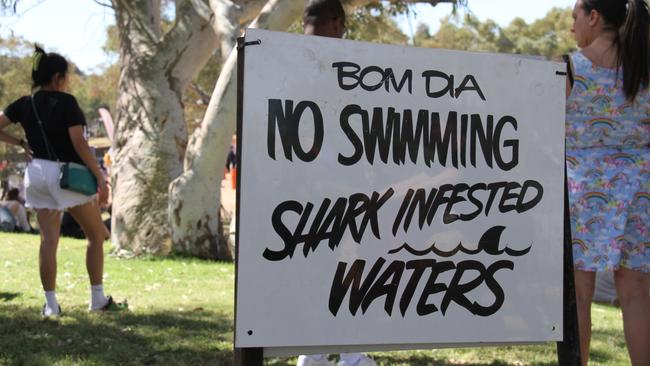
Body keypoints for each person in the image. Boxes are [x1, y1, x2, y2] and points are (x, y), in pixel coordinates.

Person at [0, 45, 127, 317]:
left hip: (35, 174)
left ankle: (50, 305)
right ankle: (97, 299)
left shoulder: (24, 103)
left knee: (48, 240)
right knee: (96, 234)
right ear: (58, 78)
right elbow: (79, 142)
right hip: (67, 176)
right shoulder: (67, 102)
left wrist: (20, 141)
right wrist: (100, 176)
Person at [565, 1, 649, 365]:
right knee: (637, 292)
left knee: (579, 294)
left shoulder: (569, 67)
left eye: (575, 18)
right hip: (639, 189)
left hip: (581, 191)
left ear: (594, 17)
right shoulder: (645, 68)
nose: (573, 27)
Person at [296, 2, 376, 366]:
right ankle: (347, 355)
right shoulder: (348, 64)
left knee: (319, 268)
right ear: (337, 23)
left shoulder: (286, 60)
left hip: (304, 187)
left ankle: (321, 354)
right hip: (336, 185)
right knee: (346, 267)